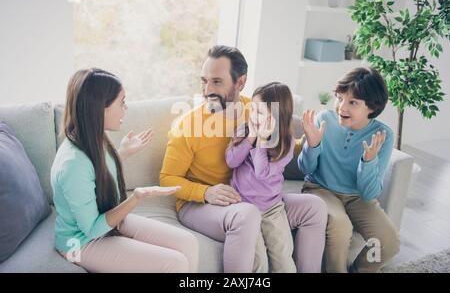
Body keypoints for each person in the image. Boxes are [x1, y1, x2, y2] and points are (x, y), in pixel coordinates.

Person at [160, 45, 327, 272]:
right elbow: (167, 178)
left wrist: (311, 142)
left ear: (240, 82)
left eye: (217, 81)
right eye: (204, 80)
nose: (207, 89)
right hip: (200, 204)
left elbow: (281, 150)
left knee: (314, 206)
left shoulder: (256, 108)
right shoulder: (188, 124)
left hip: (252, 197)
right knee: (246, 215)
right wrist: (205, 192)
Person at [51, 68, 199, 272]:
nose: (125, 109)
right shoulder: (73, 163)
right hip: (78, 242)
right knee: (175, 263)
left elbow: (94, 177)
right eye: (121, 103)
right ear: (100, 108)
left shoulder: (93, 137)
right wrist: (136, 197)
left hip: (106, 224)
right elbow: (92, 228)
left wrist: (122, 153)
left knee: (188, 243)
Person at [299, 67, 400, 273]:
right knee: (340, 227)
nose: (341, 107)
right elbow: (305, 169)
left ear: (371, 107)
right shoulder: (324, 120)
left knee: (389, 242)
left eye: (352, 102)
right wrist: (313, 145)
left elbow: (369, 193)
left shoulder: (383, 135)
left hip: (358, 198)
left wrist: (368, 160)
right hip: (321, 189)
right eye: (339, 98)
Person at [226, 82, 303, 273]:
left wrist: (262, 141)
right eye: (252, 109)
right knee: (258, 262)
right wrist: (251, 137)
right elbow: (231, 161)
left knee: (284, 260)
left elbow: (262, 173)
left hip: (271, 208)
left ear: (277, 116)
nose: (253, 116)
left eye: (259, 112)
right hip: (243, 206)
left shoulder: (286, 143)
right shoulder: (244, 130)